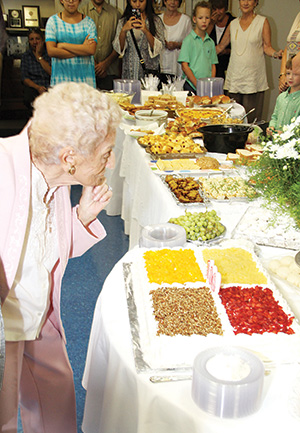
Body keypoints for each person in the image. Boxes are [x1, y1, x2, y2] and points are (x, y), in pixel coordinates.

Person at [0, 82, 121, 432]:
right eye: (106, 153)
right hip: (5, 328)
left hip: (39, 316)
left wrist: (81, 218)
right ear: (70, 158)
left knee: (57, 409)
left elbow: (40, 251)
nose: (111, 162)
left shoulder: (56, 177)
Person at [215, 0, 282, 123]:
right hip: (234, 80)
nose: (245, 2)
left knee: (251, 123)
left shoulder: (262, 22)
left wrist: (276, 54)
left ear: (255, 2)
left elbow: (267, 47)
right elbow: (220, 47)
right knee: (232, 121)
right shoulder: (233, 24)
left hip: (253, 81)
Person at [45, 0, 97, 87]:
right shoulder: (53, 22)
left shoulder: (89, 23)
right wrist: (82, 48)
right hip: (61, 81)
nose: (71, 1)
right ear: (61, 0)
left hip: (85, 82)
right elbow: (51, 51)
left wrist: (63, 45)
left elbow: (91, 50)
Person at [112, 0, 165, 80]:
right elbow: (119, 49)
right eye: (134, 1)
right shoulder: (123, 22)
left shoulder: (155, 21)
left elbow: (159, 48)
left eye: (141, 1)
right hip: (129, 73)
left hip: (148, 74)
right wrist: (123, 31)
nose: (137, 5)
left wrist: (146, 31)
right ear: (129, 2)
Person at [79, 0, 121, 90]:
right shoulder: (80, 13)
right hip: (86, 73)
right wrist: (93, 65)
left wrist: (105, 64)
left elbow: (120, 45)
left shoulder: (116, 14)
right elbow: (77, 42)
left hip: (109, 72)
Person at [178, 1, 218, 94]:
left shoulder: (210, 42)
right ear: (194, 19)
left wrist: (209, 83)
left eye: (207, 18)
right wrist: (197, 84)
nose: (204, 21)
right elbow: (185, 66)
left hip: (207, 87)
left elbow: (213, 65)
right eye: (200, 18)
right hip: (190, 85)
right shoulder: (188, 40)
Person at [159, 0, 192, 83]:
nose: (172, 2)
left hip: (178, 66)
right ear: (165, 2)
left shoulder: (185, 20)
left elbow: (191, 44)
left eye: (176, 0)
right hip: (161, 64)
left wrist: (178, 45)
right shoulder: (158, 19)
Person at [21, 28, 51, 115]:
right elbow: (25, 78)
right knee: (29, 97)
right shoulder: (26, 56)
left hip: (49, 84)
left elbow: (52, 73)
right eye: (32, 39)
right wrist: (38, 88)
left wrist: (39, 57)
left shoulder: (50, 54)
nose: (35, 42)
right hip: (34, 86)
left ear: (43, 39)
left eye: (37, 39)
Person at [267, 56, 300, 135]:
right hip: (276, 141)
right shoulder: (281, 97)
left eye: (295, 74)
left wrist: (285, 134)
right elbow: (275, 117)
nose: (290, 77)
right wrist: (272, 127)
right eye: (288, 73)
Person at [207, 0, 235, 79]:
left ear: (225, 8)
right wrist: (211, 23)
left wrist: (226, 51)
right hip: (211, 69)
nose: (217, 12)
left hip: (229, 68)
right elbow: (201, 40)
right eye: (214, 9)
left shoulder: (234, 22)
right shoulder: (208, 22)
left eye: (220, 9)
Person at [279, 2, 300, 93]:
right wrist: (283, 75)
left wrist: (292, 74)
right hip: (291, 78)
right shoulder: (298, 16)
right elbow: (288, 47)